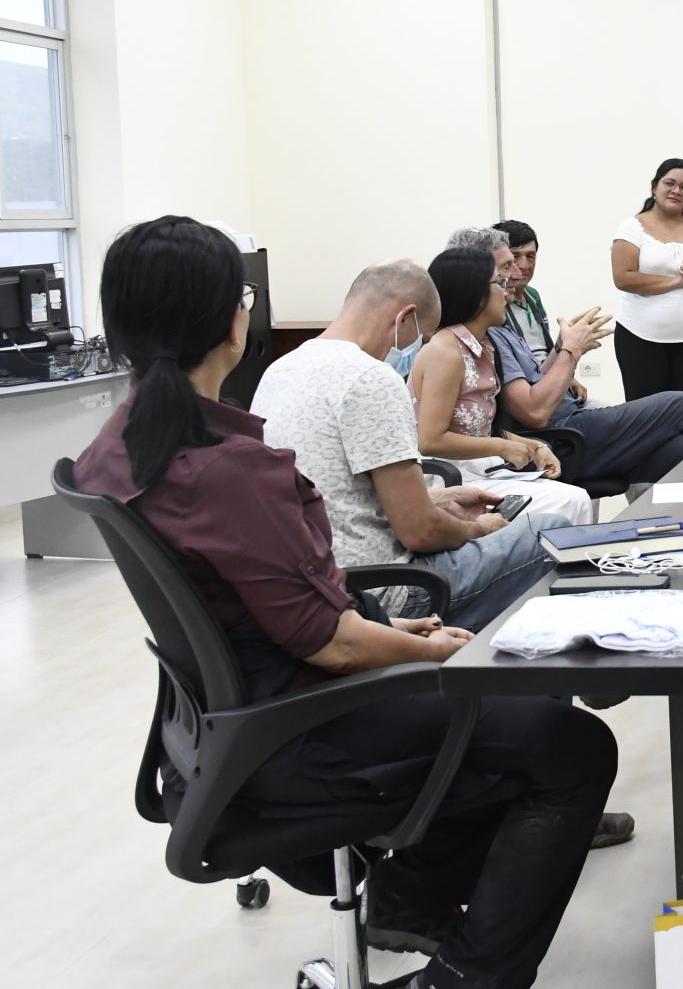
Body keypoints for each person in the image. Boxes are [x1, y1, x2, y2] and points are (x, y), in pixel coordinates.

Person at [73, 216, 617, 989]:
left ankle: (409, 896)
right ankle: (463, 975)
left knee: (505, 719)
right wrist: (425, 648)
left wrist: (389, 627)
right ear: (231, 323)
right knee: (571, 747)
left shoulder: (119, 445)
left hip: (225, 726)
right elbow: (330, 643)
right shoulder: (230, 468)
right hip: (305, 727)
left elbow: (276, 602)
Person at [252, 258, 562, 632]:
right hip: (385, 593)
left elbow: (336, 495)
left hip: (311, 587)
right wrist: (477, 529)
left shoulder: (279, 370)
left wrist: (437, 500)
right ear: (405, 318)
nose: (418, 347)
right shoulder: (371, 378)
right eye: (422, 336)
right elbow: (420, 532)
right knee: (550, 531)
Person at [409, 247, 593, 525]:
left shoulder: (482, 346)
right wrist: (501, 447)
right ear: (475, 295)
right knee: (571, 500)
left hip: (481, 470)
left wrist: (533, 446)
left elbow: (478, 429)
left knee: (575, 498)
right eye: (499, 283)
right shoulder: (445, 352)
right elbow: (430, 440)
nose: (507, 293)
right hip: (450, 481)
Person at [491, 287, 683, 492]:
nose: (508, 284)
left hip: (572, 421)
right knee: (680, 405)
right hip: (560, 436)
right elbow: (534, 413)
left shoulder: (504, 330)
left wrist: (562, 347)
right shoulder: (490, 338)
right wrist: (571, 351)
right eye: (500, 278)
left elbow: (536, 379)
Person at [610, 157, 683, 409]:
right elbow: (623, 278)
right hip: (639, 338)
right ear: (655, 186)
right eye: (669, 183)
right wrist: (677, 281)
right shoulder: (631, 227)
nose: (676, 190)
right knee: (646, 416)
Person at [494, 218, 556, 367]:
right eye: (515, 256)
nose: (524, 265)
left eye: (530, 256)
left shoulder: (533, 295)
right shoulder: (494, 300)